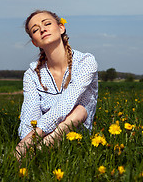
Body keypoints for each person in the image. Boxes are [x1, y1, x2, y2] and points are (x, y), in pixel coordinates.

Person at [15, 10, 98, 158]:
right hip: (41, 135)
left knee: (79, 111)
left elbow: (65, 105)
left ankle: (35, 153)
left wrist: (27, 144)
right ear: (35, 42)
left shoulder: (86, 62)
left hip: (76, 135)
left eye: (47, 23)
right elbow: (29, 112)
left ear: (61, 28)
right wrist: (25, 138)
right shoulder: (31, 74)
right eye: (35, 29)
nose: (42, 29)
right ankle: (37, 152)